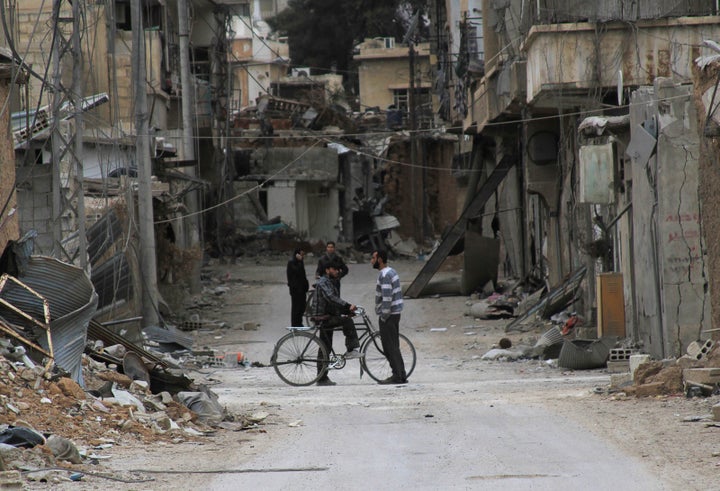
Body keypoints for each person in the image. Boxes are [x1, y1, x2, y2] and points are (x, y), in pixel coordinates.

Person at [312, 258, 362, 386]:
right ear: (327, 270)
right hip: (322, 318)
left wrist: (345, 310)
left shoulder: (330, 282)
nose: (337, 271)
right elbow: (331, 298)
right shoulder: (323, 282)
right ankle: (351, 349)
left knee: (325, 347)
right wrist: (348, 305)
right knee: (347, 322)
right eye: (334, 269)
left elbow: (333, 303)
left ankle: (321, 378)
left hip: (327, 316)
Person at [371, 249, 407, 384]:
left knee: (389, 347)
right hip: (395, 314)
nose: (372, 261)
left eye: (373, 258)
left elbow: (387, 296)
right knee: (394, 346)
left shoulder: (384, 275)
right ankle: (401, 374)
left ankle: (397, 376)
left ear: (380, 259)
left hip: (389, 315)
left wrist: (383, 316)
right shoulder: (392, 271)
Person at [286, 247, 309, 327]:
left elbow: (303, 275)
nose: (302, 256)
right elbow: (298, 272)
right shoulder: (292, 262)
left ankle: (299, 323)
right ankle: (295, 324)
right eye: (301, 254)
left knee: (302, 307)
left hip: (301, 289)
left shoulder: (300, 262)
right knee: (296, 307)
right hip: (295, 289)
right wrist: (300, 261)